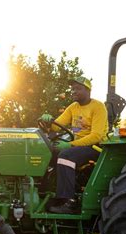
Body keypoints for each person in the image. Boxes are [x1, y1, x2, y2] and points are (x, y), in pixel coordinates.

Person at [40, 76, 108, 214]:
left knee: (66, 156)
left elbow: (97, 135)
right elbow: (57, 127)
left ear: (88, 90)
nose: (73, 91)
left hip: (95, 147)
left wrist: (70, 145)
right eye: (72, 89)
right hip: (77, 146)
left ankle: (68, 202)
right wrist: (48, 121)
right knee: (46, 153)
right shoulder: (73, 107)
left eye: (78, 89)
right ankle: (44, 194)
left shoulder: (98, 107)